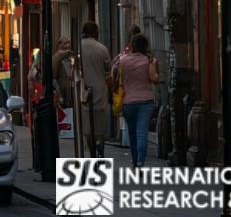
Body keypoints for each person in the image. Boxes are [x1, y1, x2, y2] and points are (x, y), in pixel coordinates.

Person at [115, 33, 161, 168]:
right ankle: (140, 161)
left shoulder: (123, 60)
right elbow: (154, 78)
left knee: (132, 133)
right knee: (142, 133)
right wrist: (156, 69)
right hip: (145, 101)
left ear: (132, 45)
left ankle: (135, 161)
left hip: (128, 101)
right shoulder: (148, 60)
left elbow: (115, 73)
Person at [78, 22, 113, 158]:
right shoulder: (102, 48)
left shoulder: (78, 47)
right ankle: (99, 146)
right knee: (99, 125)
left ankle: (91, 149)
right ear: (96, 32)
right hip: (99, 89)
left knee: (87, 125)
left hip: (83, 89)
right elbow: (108, 68)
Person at [52, 38, 77, 110]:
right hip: (62, 88)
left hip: (71, 88)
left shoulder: (69, 57)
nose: (68, 45)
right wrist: (59, 94)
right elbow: (54, 77)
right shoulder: (57, 57)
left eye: (68, 43)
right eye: (65, 43)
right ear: (59, 44)